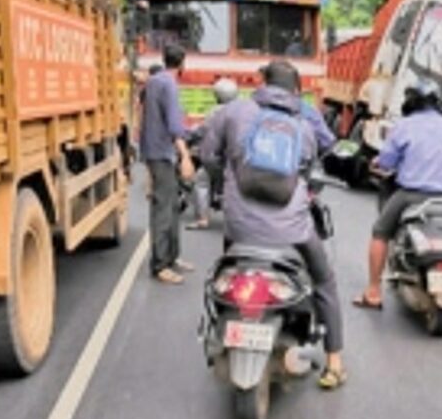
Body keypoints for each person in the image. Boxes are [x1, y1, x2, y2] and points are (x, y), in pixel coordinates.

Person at [202, 60, 348, 390]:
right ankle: (335, 362)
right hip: (292, 231)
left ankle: (218, 331)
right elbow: (311, 168)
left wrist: (225, 185)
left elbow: (209, 157)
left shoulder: (233, 112)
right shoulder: (306, 125)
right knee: (323, 279)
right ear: (296, 90)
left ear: (262, 82)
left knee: (226, 268)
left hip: (238, 226)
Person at [353, 79, 442, 311]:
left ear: (410, 102)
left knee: (380, 232)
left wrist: (378, 162)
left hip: (411, 195)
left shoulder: (404, 126)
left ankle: (373, 291)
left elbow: (387, 161)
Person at [139, 43, 195, 283]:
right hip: (164, 152)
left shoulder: (153, 81)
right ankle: (161, 264)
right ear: (182, 63)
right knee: (165, 209)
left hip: (154, 151)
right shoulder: (169, 85)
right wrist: (185, 156)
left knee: (172, 206)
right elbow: (174, 125)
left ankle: (172, 257)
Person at [185, 77, 240, 230]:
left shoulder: (214, 113)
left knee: (201, 180)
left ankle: (202, 218)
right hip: (237, 159)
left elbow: (202, 131)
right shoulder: (241, 112)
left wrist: (187, 137)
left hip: (216, 159)